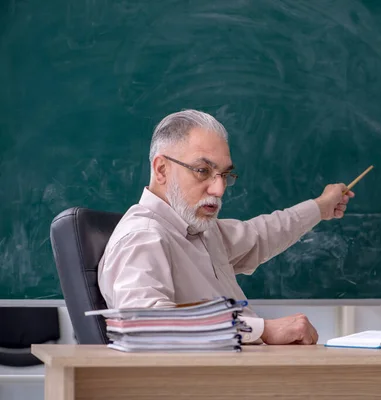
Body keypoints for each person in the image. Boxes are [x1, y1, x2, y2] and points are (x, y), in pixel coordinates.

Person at [97, 109, 355, 345]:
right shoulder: (143, 236)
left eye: (224, 175)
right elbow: (144, 324)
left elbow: (261, 234)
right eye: (202, 171)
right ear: (162, 169)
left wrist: (320, 207)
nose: (218, 189)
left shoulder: (200, 231)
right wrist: (261, 329)